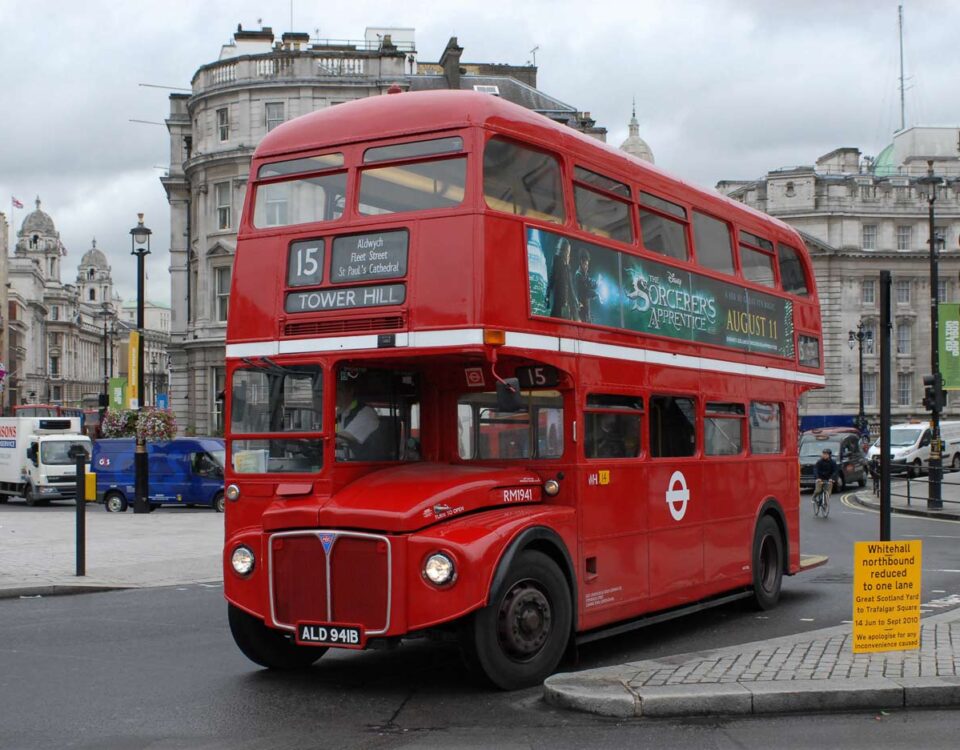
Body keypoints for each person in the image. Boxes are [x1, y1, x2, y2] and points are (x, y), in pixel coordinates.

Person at [335, 378, 380, 460]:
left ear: (350, 391)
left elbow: (346, 436)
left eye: (339, 390)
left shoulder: (367, 412)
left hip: (359, 465)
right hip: (337, 460)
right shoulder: (337, 412)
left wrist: (321, 439)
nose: (335, 394)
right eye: (333, 389)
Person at [546, 238, 578, 320]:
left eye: (569, 252)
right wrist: (547, 295)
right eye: (567, 251)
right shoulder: (557, 260)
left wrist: (575, 300)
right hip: (558, 301)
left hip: (565, 303)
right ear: (564, 250)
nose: (568, 254)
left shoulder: (567, 266)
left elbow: (570, 285)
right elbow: (551, 278)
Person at [574, 250, 599, 323]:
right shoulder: (578, 275)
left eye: (587, 265)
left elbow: (590, 282)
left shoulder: (584, 274)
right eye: (585, 264)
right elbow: (584, 292)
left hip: (586, 308)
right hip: (581, 308)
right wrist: (595, 294)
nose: (586, 267)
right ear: (581, 262)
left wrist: (597, 283)